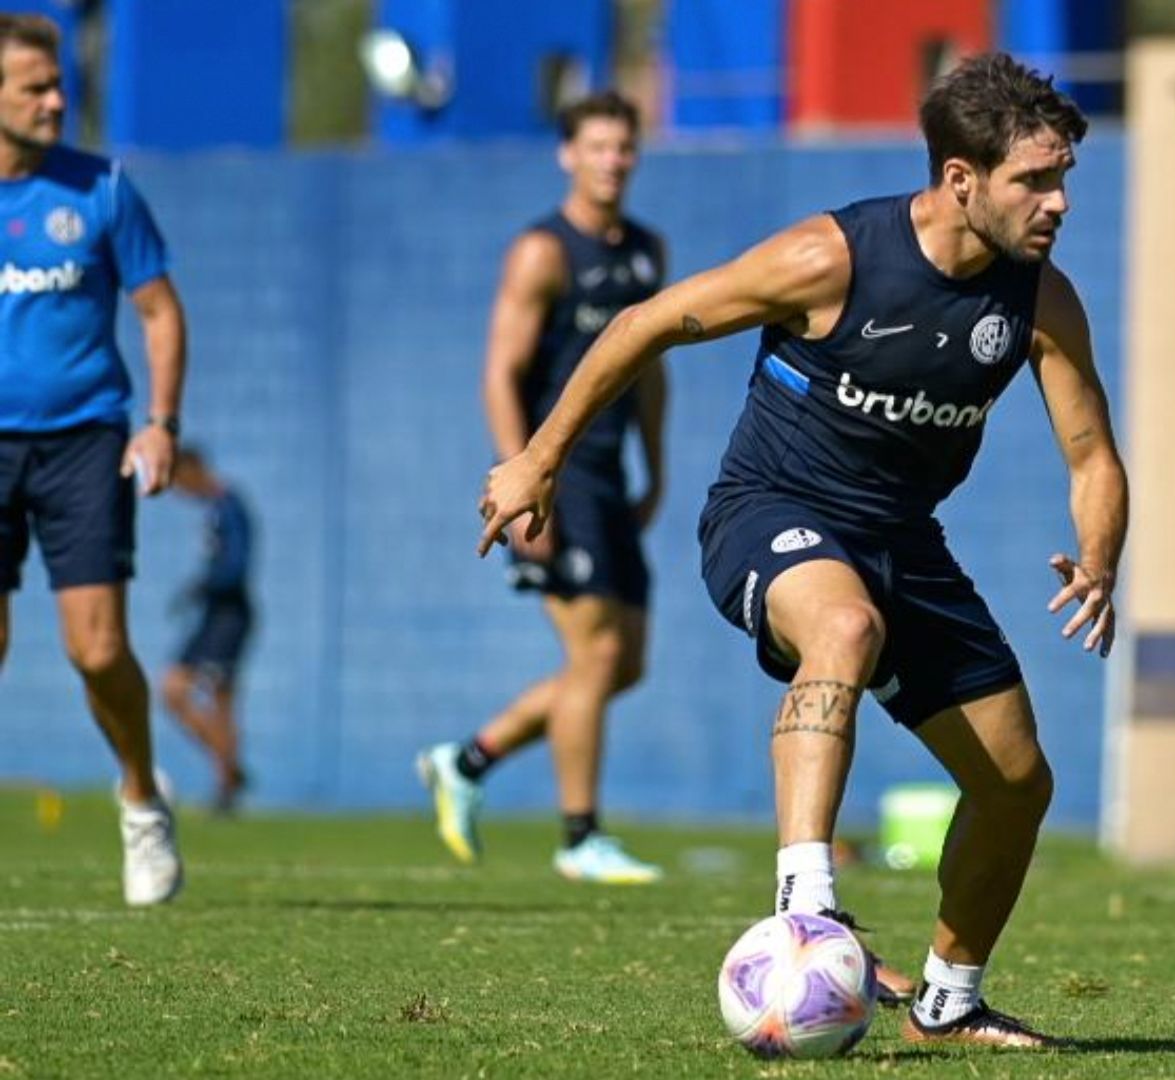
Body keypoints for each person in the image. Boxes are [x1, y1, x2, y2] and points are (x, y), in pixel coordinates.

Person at [477, 54, 1125, 1048]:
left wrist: (1099, 557)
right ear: (961, 179)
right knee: (845, 624)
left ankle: (947, 1002)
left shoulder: (1038, 301)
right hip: (769, 510)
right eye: (1034, 181)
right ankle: (806, 906)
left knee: (1016, 782)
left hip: (905, 540)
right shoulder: (833, 259)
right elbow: (647, 324)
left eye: (1063, 178)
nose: (1058, 203)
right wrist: (537, 458)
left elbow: (1091, 454)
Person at [418, 91, 669, 885]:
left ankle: (465, 760)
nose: (611, 160)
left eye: (623, 147)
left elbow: (650, 369)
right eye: (596, 146)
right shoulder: (543, 251)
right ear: (568, 155)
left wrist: (656, 467)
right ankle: (579, 837)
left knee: (625, 665)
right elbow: (500, 370)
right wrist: (524, 476)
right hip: (557, 475)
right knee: (593, 653)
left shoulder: (646, 253)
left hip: (613, 475)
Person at [0, 13, 188, 905]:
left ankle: (141, 799)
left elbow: (158, 311)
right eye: (34, 86)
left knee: (96, 649)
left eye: (57, 83)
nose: (55, 100)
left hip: (85, 440)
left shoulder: (103, 190)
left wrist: (160, 423)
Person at [159, 447, 253, 814]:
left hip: (229, 616)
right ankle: (229, 771)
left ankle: (227, 782)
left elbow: (235, 567)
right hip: (215, 615)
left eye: (179, 481)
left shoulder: (230, 507)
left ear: (194, 470)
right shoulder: (214, 510)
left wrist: (204, 585)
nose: (180, 491)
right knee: (175, 690)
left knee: (214, 701)